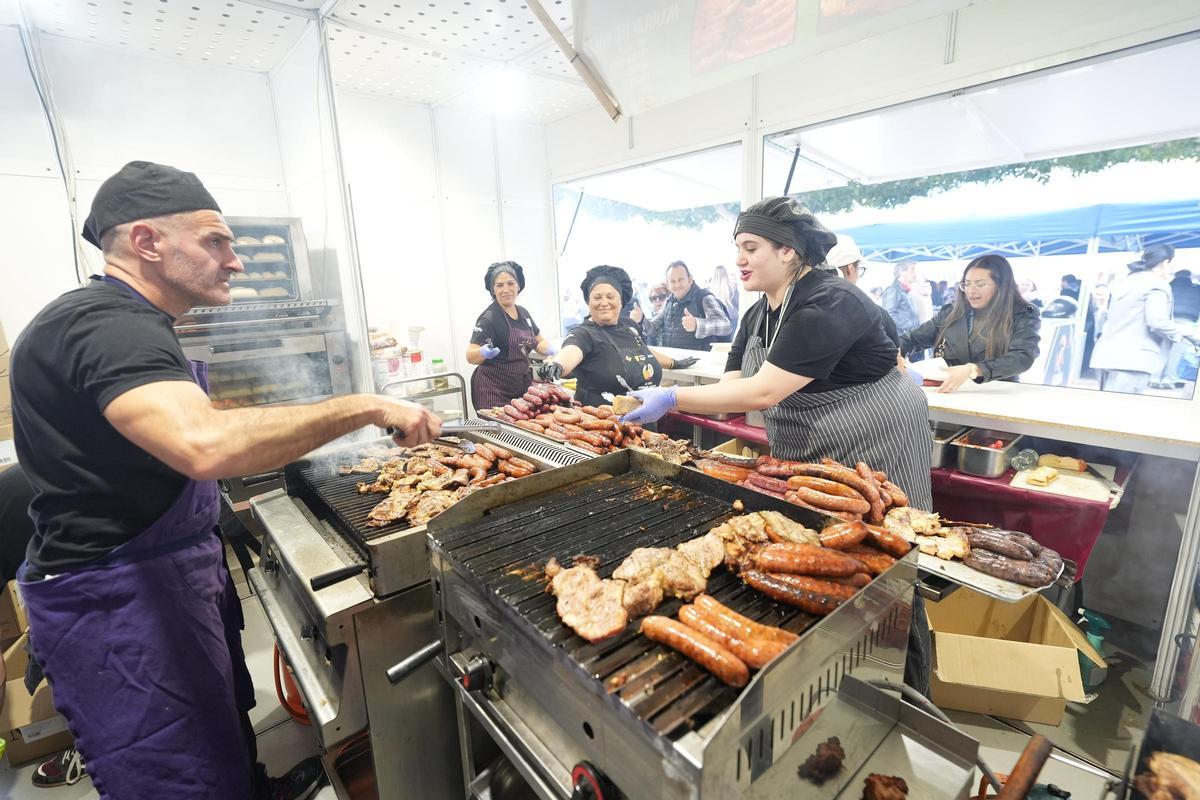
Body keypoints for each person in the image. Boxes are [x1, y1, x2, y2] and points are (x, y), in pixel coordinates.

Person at [9, 161, 442, 800]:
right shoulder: (107, 325)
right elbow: (202, 443)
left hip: (169, 574)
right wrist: (366, 405)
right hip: (118, 606)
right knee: (178, 777)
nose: (235, 261)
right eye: (216, 241)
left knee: (221, 738)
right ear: (147, 242)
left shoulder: (129, 322)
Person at [616, 197, 933, 693]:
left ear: (788, 251)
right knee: (826, 563)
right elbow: (734, 386)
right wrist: (673, 397)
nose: (740, 259)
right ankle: (835, 679)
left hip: (878, 437)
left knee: (888, 564)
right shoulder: (761, 313)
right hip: (814, 444)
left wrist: (673, 397)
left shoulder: (829, 301)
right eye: (738, 248)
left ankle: (906, 689)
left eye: (751, 247)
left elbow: (762, 392)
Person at [535, 266, 697, 406]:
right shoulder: (583, 333)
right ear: (588, 302)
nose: (604, 302)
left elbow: (642, 350)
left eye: (610, 296)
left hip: (644, 425)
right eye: (597, 297)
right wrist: (557, 365)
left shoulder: (630, 326)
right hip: (603, 428)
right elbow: (571, 350)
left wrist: (673, 363)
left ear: (621, 301)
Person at [900, 254, 1042, 393]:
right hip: (948, 392)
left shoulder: (1022, 314)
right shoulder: (952, 311)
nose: (971, 290)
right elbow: (913, 339)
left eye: (980, 284)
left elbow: (1022, 357)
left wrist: (974, 369)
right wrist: (895, 352)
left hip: (995, 395)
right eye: (966, 284)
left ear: (1001, 286)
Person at [1092, 244, 1200, 394]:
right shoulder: (1157, 285)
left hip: (1105, 355)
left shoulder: (1123, 282)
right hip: (1133, 361)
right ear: (1165, 263)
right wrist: (1187, 334)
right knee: (1121, 412)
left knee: (1105, 409)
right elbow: (1157, 321)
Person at [466, 261, 556, 411]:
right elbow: (470, 355)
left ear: (518, 286)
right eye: (499, 285)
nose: (506, 290)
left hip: (519, 388)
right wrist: (483, 352)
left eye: (510, 283)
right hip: (493, 391)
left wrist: (551, 351)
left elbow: (538, 341)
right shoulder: (489, 318)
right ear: (493, 290)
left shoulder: (524, 314)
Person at [824, 234, 899, 347]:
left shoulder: (806, 310)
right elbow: (897, 360)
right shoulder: (875, 314)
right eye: (859, 269)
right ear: (851, 268)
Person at [644, 260, 734, 351]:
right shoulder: (669, 302)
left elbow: (726, 326)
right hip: (674, 362)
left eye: (680, 279)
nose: (677, 284)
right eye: (672, 281)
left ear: (690, 280)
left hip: (699, 363)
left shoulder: (704, 298)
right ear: (668, 284)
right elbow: (653, 327)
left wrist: (697, 324)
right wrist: (639, 320)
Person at [882, 260, 920, 335]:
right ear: (902, 272)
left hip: (908, 336)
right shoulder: (893, 290)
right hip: (900, 338)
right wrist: (910, 326)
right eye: (912, 271)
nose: (915, 274)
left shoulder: (905, 290)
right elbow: (888, 314)